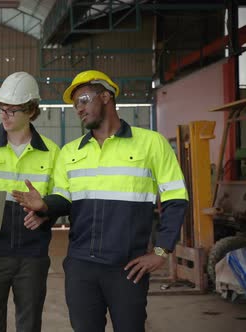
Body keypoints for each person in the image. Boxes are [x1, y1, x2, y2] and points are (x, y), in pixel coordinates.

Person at [12, 70, 189, 332]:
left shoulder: (151, 144)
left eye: (83, 100)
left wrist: (162, 251)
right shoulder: (71, 152)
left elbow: (176, 199)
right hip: (81, 267)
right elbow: (64, 198)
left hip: (127, 268)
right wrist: (45, 206)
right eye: (75, 105)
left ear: (106, 96)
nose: (78, 109)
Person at [0, 72, 60, 332]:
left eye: (12, 110)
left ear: (31, 111)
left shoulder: (52, 152)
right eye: (1, 108)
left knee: (29, 325)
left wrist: (45, 212)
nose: (4, 115)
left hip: (33, 255)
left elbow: (61, 199)